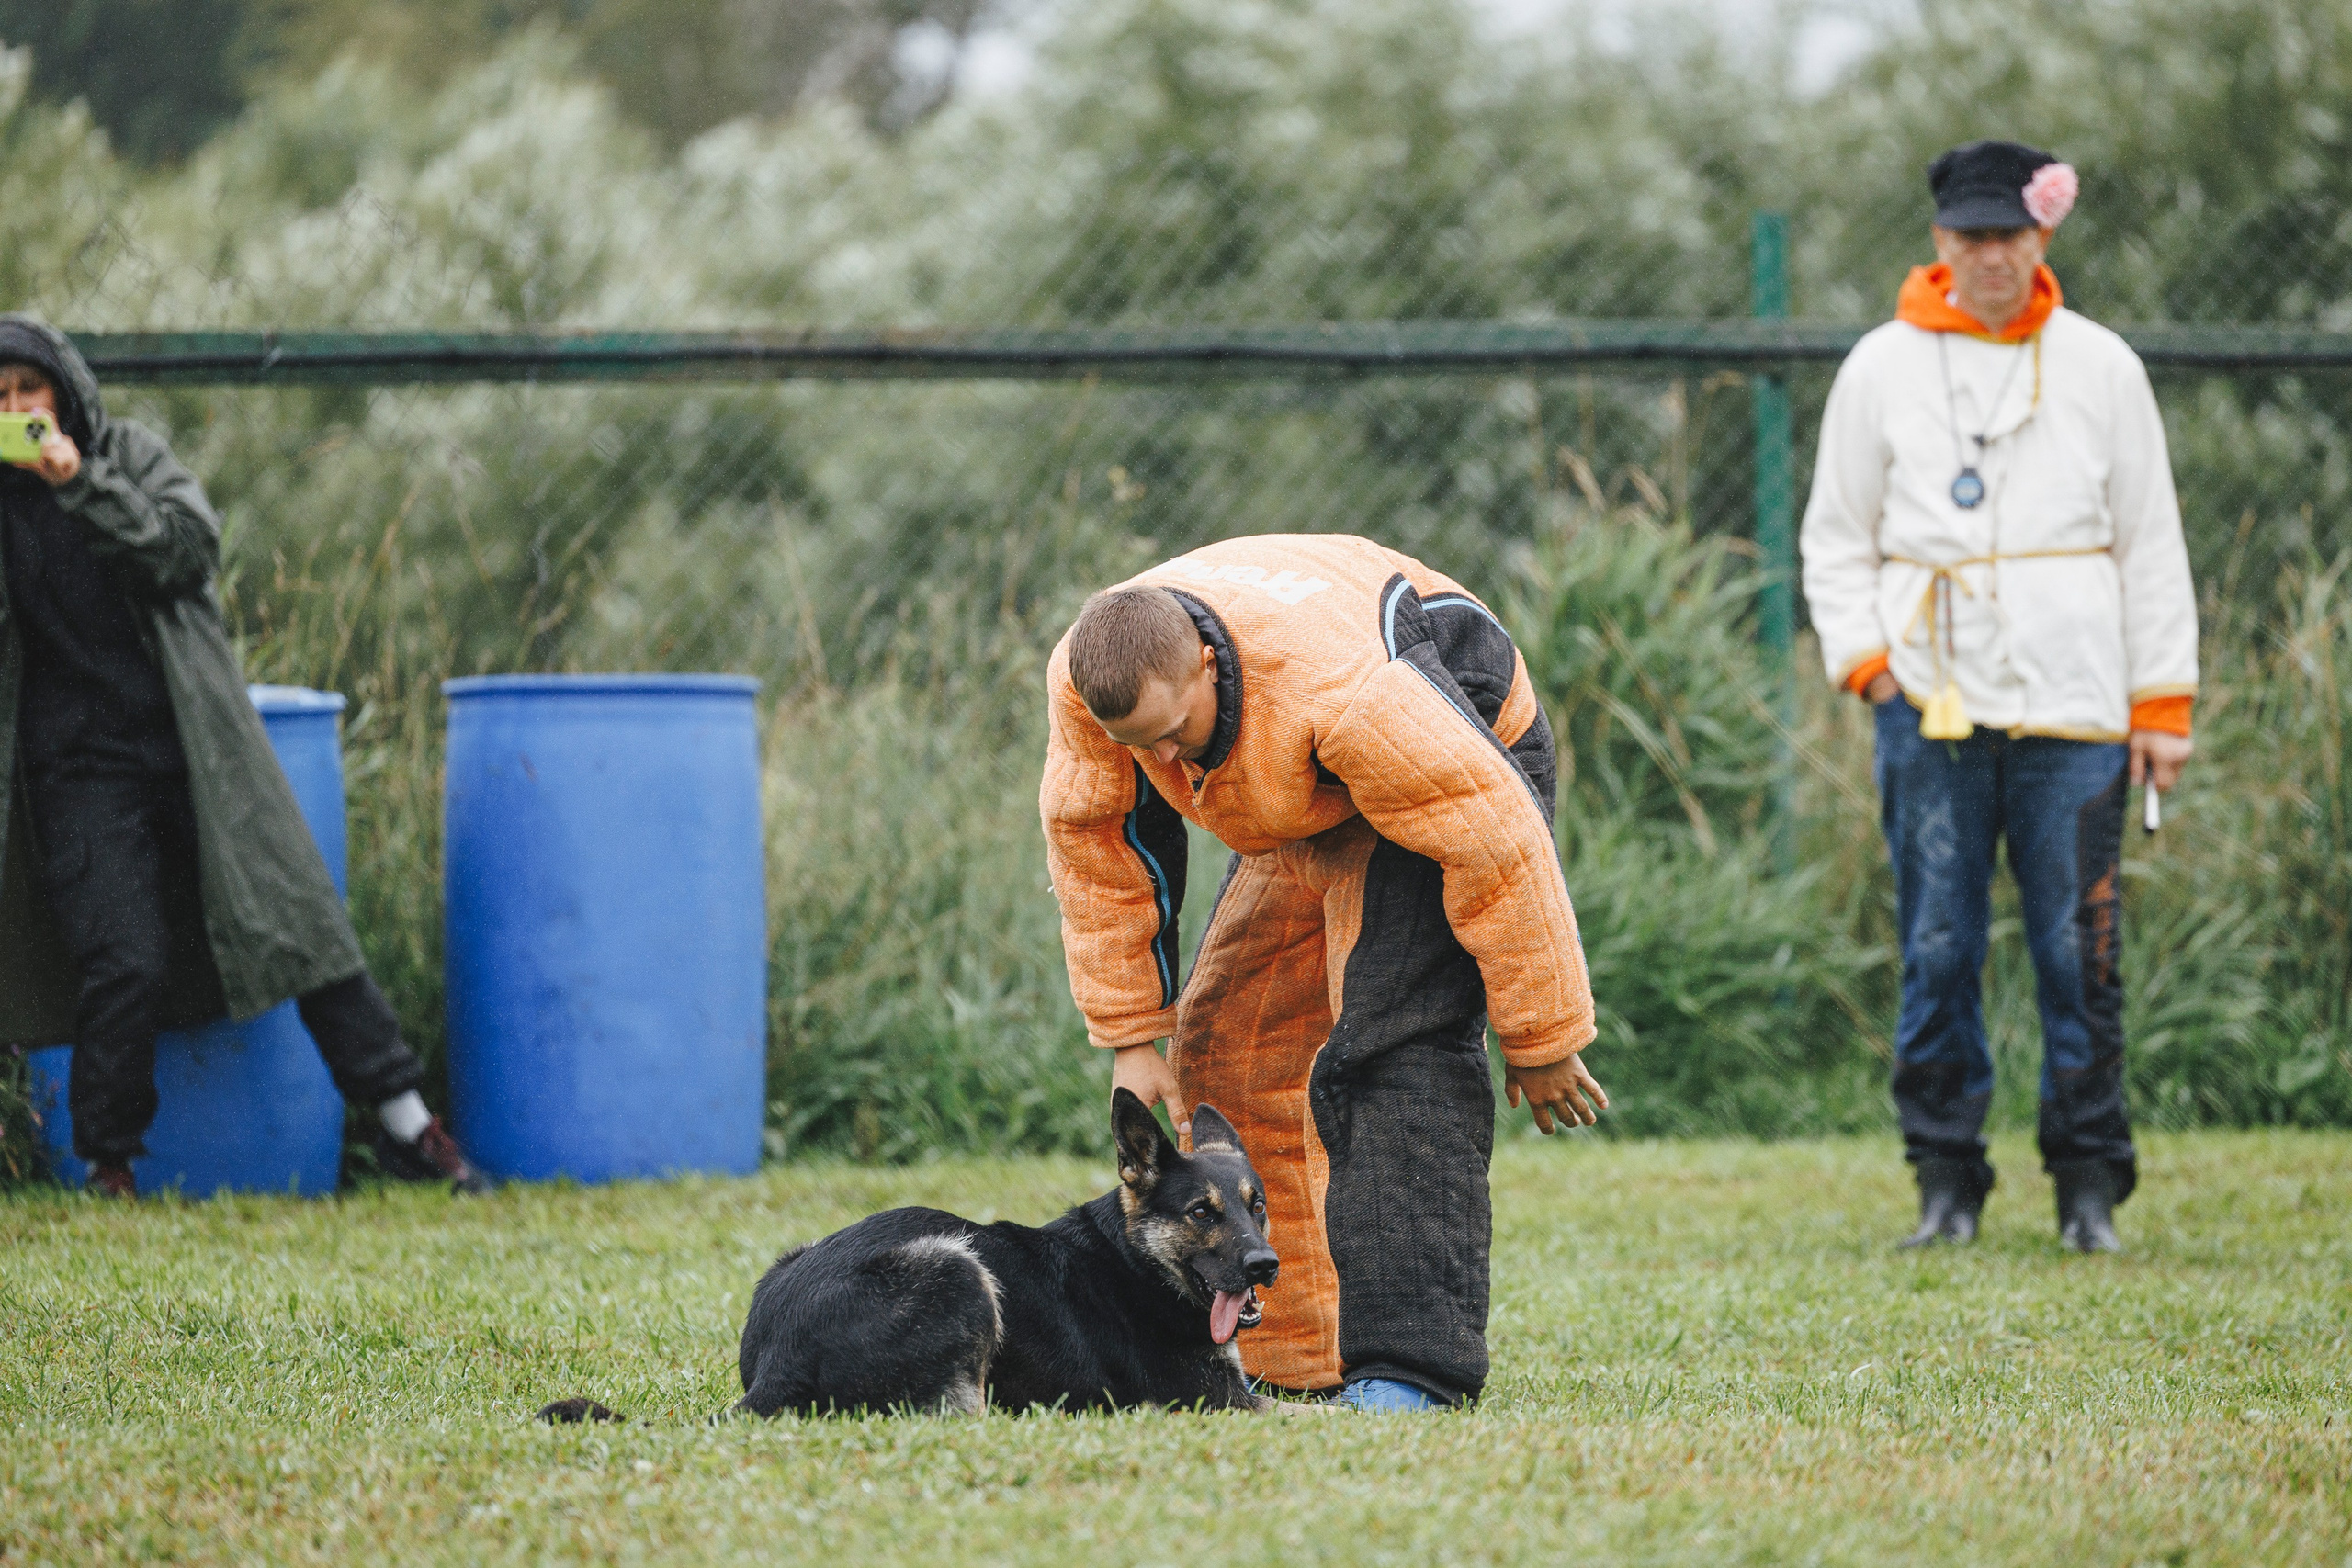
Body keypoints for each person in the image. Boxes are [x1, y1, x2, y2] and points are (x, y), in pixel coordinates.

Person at [1040, 534, 1606, 1410]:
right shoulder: (1090, 677)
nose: (1164, 764)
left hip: (1457, 747)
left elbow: (1497, 840)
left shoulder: (1350, 695)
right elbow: (1097, 840)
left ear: (1204, 666)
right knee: (1229, 1042)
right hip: (1306, 786)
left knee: (1387, 1047)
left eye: (1172, 736)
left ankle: (1410, 1372)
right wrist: (1128, 1033)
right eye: (1137, 746)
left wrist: (1541, 1033)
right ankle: (1294, 1357)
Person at [1799, 142, 2198, 1253]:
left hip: (2077, 704)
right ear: (1940, 243)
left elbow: (2151, 541)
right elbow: (1834, 538)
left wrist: (2161, 705)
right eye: (1970, 238)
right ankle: (1945, 1179)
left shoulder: (2101, 365)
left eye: (2008, 237)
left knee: (2080, 949)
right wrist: (1869, 665)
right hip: (1930, 702)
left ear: (2041, 240)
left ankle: (2086, 1183)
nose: (1990, 257)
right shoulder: (1878, 366)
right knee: (1938, 942)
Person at [0, 315, 487, 1199]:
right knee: (123, 959)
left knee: (298, 925)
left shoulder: (130, 456)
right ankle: (109, 1167)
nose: (18, 409)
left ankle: (411, 1129)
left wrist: (79, 481)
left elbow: (185, 552)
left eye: (29, 390)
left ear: (65, 393)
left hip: (199, 749)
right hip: (76, 771)